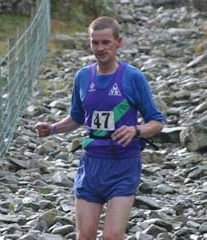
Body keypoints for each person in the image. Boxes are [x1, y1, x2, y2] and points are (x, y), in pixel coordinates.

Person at [35, 16, 164, 240]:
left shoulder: (133, 77)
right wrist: (53, 128)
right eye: (95, 43)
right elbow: (76, 117)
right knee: (84, 236)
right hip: (91, 165)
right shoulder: (83, 76)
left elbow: (157, 121)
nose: (100, 48)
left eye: (105, 42)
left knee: (112, 236)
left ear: (118, 42)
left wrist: (136, 130)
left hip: (123, 165)